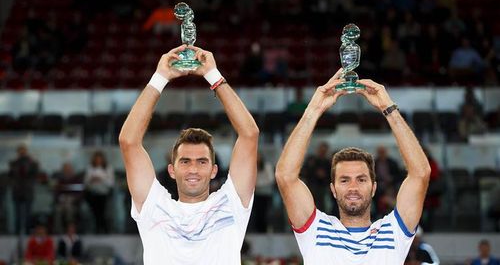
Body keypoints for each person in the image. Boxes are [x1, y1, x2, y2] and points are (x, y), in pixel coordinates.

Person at [119, 44, 259, 264]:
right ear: (172, 170)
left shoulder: (230, 203)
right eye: (185, 161)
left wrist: (213, 75)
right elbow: (129, 141)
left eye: (202, 161)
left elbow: (250, 135)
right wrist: (160, 77)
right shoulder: (154, 206)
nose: (193, 169)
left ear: (214, 170)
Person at [275, 69, 431, 264]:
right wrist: (314, 110)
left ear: (374, 187)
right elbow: (285, 176)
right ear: (333, 189)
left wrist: (389, 109)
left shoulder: (393, 231)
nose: (353, 188)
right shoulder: (316, 229)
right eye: (344, 180)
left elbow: (420, 174)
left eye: (361, 179)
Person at [8, 144, 39, 234]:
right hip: (17, 191)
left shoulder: (32, 163)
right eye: (20, 151)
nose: (22, 153)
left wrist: (30, 160)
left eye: (24, 151)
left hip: (28, 191)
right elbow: (10, 176)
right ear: (17, 152)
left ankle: (27, 232)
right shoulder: (13, 163)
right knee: (17, 215)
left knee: (28, 214)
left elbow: (35, 173)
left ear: (26, 151)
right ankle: (17, 233)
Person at [84, 151, 114, 233]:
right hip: (93, 194)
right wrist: (91, 180)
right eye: (96, 159)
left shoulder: (108, 168)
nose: (98, 161)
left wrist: (102, 179)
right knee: (96, 211)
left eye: (100, 159)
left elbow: (111, 184)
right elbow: (86, 183)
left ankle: (102, 228)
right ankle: (101, 228)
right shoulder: (90, 168)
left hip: (104, 194)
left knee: (101, 211)